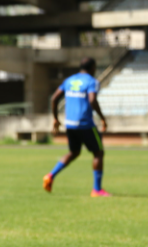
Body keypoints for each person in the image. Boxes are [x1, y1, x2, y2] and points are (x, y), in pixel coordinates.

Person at [46, 57, 110, 197]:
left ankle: (50, 176)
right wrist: (103, 118)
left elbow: (54, 98)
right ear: (93, 68)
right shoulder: (91, 81)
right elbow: (92, 100)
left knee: (74, 152)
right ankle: (97, 189)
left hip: (70, 124)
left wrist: (56, 119)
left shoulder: (69, 80)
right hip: (85, 124)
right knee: (98, 153)